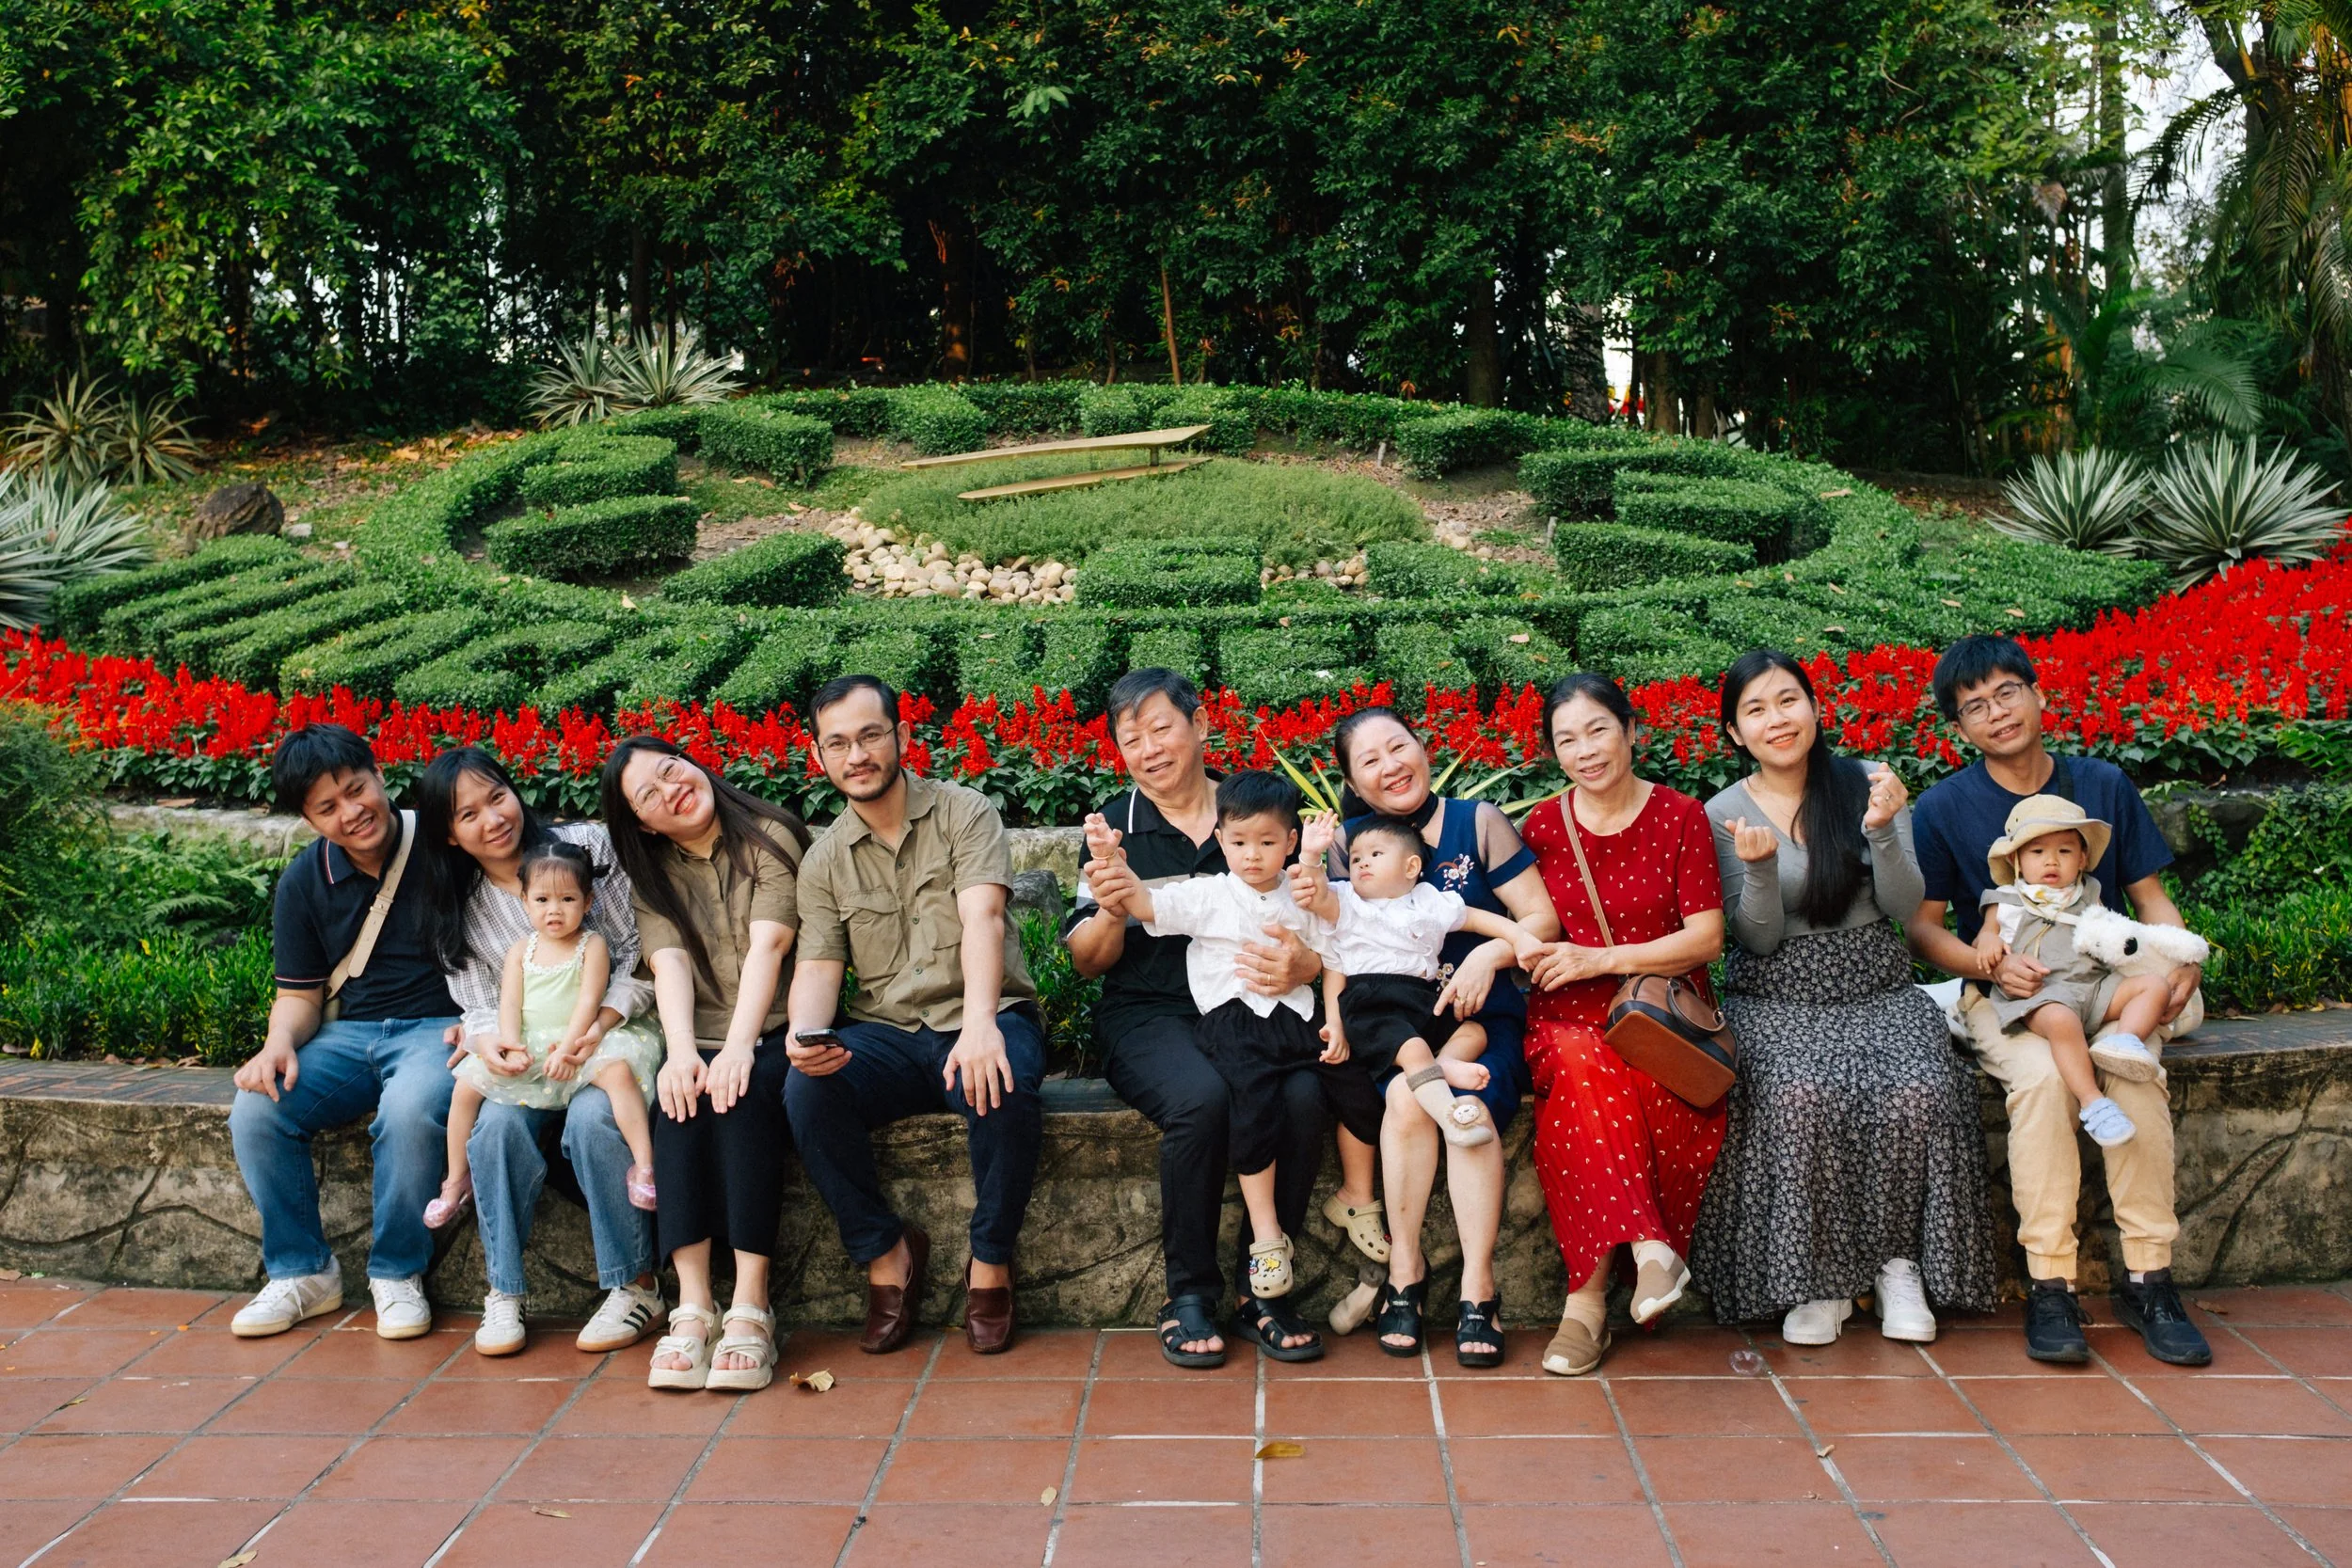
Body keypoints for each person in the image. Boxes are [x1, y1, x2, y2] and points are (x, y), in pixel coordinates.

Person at [1908, 634, 2212, 1367]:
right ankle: (2051, 1282)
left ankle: (2149, 1276)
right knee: (2043, 1082)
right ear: (1961, 727)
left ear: (2038, 693)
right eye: (1973, 706)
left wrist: (2180, 966)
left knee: (2133, 1074)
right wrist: (1991, 964)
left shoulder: (2102, 784)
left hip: (2106, 982)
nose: (1996, 713)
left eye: (2006, 692)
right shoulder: (1945, 805)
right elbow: (1923, 928)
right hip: (2014, 995)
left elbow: (2151, 900)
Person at [1692, 650, 1995, 1347]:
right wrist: (1762, 870)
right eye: (1757, 709)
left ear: (1815, 707)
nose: (1778, 719)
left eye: (1788, 699)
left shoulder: (1868, 783)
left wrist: (1885, 827)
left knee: (1920, 1090)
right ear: (1735, 732)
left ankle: (1898, 1266)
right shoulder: (1724, 812)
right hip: (1778, 994)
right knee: (1802, 1095)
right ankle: (1818, 1279)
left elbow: (1905, 903)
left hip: (1877, 983)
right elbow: (1755, 939)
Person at [1065, 669, 1334, 1369]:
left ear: (1201, 723)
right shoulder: (1112, 829)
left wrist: (1305, 966)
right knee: (1202, 1098)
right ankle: (1186, 1290)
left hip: (1257, 1007)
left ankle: (1262, 1288)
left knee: (1305, 1096)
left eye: (1162, 727)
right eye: (1131, 738)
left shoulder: (1254, 814)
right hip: (1148, 1016)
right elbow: (1086, 961)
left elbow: (1327, 919)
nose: (1149, 748)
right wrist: (1112, 903)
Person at [784, 674, 1046, 1357]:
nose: (857, 753)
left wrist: (984, 1022)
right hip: (887, 1036)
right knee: (807, 1088)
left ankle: (989, 1261)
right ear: (819, 757)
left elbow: (982, 915)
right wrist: (805, 1036)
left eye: (871, 734)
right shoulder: (823, 860)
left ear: (902, 735)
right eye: (837, 742)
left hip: (982, 1013)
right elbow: (817, 966)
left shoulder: (964, 811)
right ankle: (886, 1252)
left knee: (1003, 1083)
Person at [413, 747, 664, 1359]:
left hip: (607, 1033)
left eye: (496, 795)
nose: (493, 818)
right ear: (449, 833)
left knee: (593, 1117)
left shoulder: (588, 849)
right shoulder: (464, 906)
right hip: (528, 1052)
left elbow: (641, 958)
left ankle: (636, 1285)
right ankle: (504, 1287)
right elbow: (475, 1004)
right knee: (495, 1126)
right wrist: (488, 1041)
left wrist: (594, 1025)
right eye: (468, 813)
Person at [1329, 705, 1562, 1366]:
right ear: (1352, 778)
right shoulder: (1352, 843)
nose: (1390, 765)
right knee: (1407, 1097)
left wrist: (1491, 956)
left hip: (1481, 1016)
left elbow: (1539, 918)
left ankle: (1476, 1287)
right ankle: (1406, 1267)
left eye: (1398, 746)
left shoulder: (1476, 822)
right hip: (1396, 1020)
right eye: (1369, 759)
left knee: (1471, 1106)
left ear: (1422, 747)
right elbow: (1335, 938)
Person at [1518, 673, 1726, 1378]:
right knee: (1581, 1066)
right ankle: (1642, 1254)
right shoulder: (1542, 827)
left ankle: (1585, 1306)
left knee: (1621, 1091)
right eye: (1566, 739)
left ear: (1633, 730)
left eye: (1598, 729)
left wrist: (1602, 957)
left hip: (1657, 1019)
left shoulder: (1680, 816)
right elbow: (1528, 928)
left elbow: (1705, 937)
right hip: (1567, 1017)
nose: (1585, 750)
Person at [227, 723, 459, 1340]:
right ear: (309, 817)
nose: (353, 812)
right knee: (258, 1108)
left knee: (410, 1111)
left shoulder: (442, 843)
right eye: (328, 807)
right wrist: (278, 1043)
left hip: (443, 1030)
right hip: (352, 1034)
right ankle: (304, 1274)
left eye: (357, 790)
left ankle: (396, 1272)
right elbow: (299, 995)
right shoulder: (305, 880)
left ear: (380, 774)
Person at [1085, 770, 1346, 1302]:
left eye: (1268, 843)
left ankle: (1269, 1287)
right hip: (1232, 1023)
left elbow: (1341, 943)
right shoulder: (1207, 894)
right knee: (1237, 1098)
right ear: (1223, 841)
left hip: (1293, 1024)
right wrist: (1111, 862)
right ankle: (1249, 1250)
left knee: (1312, 1095)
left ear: (1289, 841)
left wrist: (1316, 975)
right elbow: (1145, 904)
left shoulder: (1300, 891)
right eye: (1241, 842)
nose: (1253, 855)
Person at [605, 735, 809, 1392]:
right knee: (680, 1099)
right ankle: (693, 1304)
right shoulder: (653, 870)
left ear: (695, 762)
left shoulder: (770, 833)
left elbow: (770, 945)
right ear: (642, 820)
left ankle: (752, 1303)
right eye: (649, 794)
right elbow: (667, 963)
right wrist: (685, 1051)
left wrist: (742, 1048)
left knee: (741, 1097)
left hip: (779, 1026)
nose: (672, 790)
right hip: (705, 1032)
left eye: (672, 770)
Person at [427, 843, 660, 1233]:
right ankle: (455, 1180)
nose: (555, 909)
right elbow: (510, 1003)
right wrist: (510, 1044)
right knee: (465, 1087)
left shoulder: (593, 945)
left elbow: (589, 999)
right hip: (533, 1039)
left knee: (618, 1074)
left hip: (582, 1038)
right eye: (542, 899)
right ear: (525, 902)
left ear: (588, 902)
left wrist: (570, 1048)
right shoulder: (520, 950)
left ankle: (644, 1166)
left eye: (568, 899)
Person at [1292, 814, 1546, 1147]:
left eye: (1375, 855)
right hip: (1371, 1003)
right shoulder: (1347, 902)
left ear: (1411, 867)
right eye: (1355, 859)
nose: (1362, 864)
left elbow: (1475, 919)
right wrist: (1311, 856)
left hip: (1419, 997)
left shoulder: (1429, 900)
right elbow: (1315, 893)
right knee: (1412, 1050)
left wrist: (1518, 936)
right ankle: (1452, 1118)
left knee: (1474, 1030)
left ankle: (1445, 1062)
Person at [1976, 797, 2181, 1147]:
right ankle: (2093, 1103)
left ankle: (2123, 1041)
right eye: (2037, 851)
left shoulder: (2090, 893)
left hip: (2095, 987)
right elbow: (1987, 935)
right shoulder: (2007, 899)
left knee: (2153, 986)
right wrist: (1989, 944)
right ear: (2016, 859)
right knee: (2061, 1021)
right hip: (2043, 993)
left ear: (2083, 858)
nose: (2051, 861)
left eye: (2065, 852)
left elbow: (2109, 935)